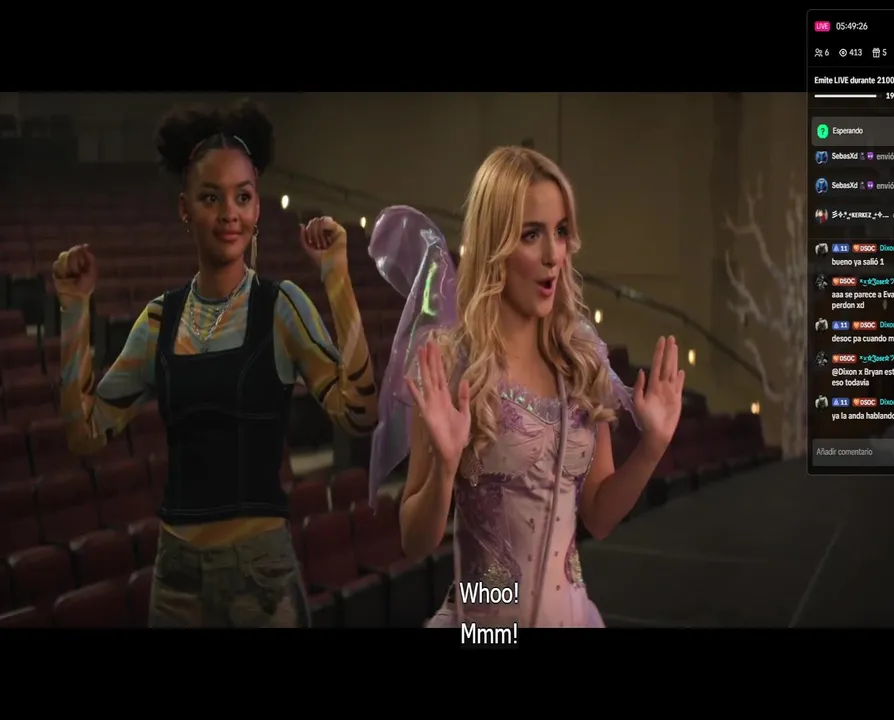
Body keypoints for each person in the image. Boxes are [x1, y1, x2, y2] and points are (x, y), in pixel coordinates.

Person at [51, 100, 378, 627]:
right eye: (211, 197)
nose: (229, 213)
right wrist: (73, 310)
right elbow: (84, 434)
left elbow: (360, 414)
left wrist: (336, 275)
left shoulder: (282, 307)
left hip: (261, 575)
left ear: (257, 208)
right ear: (185, 208)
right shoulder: (158, 320)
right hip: (176, 577)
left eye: (242, 197)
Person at [368, 147, 685, 628]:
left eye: (561, 232)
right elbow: (414, 542)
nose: (553, 255)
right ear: (494, 243)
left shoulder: (581, 360)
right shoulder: (451, 363)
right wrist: (445, 470)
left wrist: (652, 448)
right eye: (531, 235)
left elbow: (598, 517)